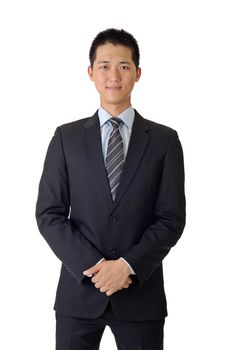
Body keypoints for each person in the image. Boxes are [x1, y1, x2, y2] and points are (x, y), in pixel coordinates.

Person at [35, 28, 186, 350]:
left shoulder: (164, 141)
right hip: (79, 295)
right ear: (91, 73)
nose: (113, 75)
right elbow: (49, 213)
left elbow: (171, 218)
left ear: (138, 73)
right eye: (104, 66)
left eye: (124, 66)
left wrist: (127, 267)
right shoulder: (66, 138)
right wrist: (95, 267)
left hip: (140, 296)